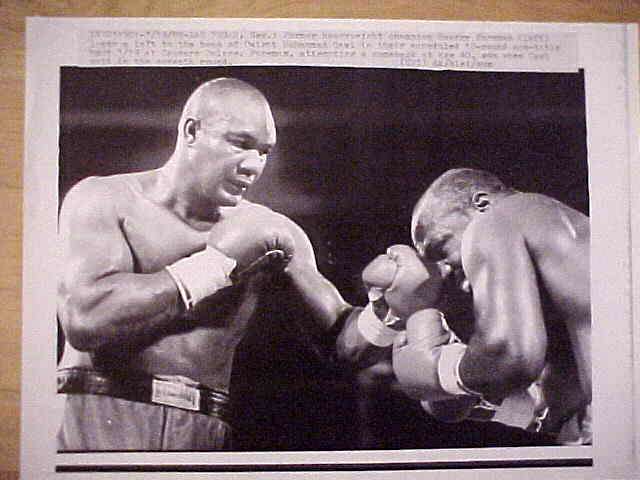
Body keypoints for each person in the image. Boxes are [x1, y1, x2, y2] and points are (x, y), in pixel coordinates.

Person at [56, 77, 442, 451]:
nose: (253, 165)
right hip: (96, 408)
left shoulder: (274, 231)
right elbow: (87, 320)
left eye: (264, 152)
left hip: (201, 427)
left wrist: (387, 311)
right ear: (191, 131)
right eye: (241, 144)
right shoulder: (106, 199)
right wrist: (216, 266)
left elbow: (344, 346)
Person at [391, 168, 592, 445]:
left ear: (481, 204)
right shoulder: (567, 246)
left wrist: (441, 371)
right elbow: (565, 413)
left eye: (443, 248)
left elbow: (510, 357)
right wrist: (487, 407)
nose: (458, 279)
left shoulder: (495, 220)